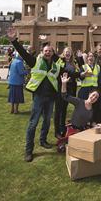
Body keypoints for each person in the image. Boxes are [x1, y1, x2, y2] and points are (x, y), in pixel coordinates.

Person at [7, 27, 61, 162]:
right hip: (38, 97)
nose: (48, 52)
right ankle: (29, 150)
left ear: (53, 53)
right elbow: (24, 53)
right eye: (46, 51)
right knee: (33, 123)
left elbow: (68, 72)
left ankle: (43, 141)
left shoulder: (56, 66)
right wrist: (14, 41)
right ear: (42, 53)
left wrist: (81, 74)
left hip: (50, 98)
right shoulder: (35, 62)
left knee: (47, 121)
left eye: (50, 51)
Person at [54, 47, 81, 138]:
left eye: (69, 52)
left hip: (69, 89)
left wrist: (79, 74)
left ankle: (62, 128)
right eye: (66, 52)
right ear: (63, 53)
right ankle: (57, 131)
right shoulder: (60, 61)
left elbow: (78, 73)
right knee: (58, 110)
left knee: (64, 110)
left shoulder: (73, 63)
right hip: (60, 88)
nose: (67, 54)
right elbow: (68, 72)